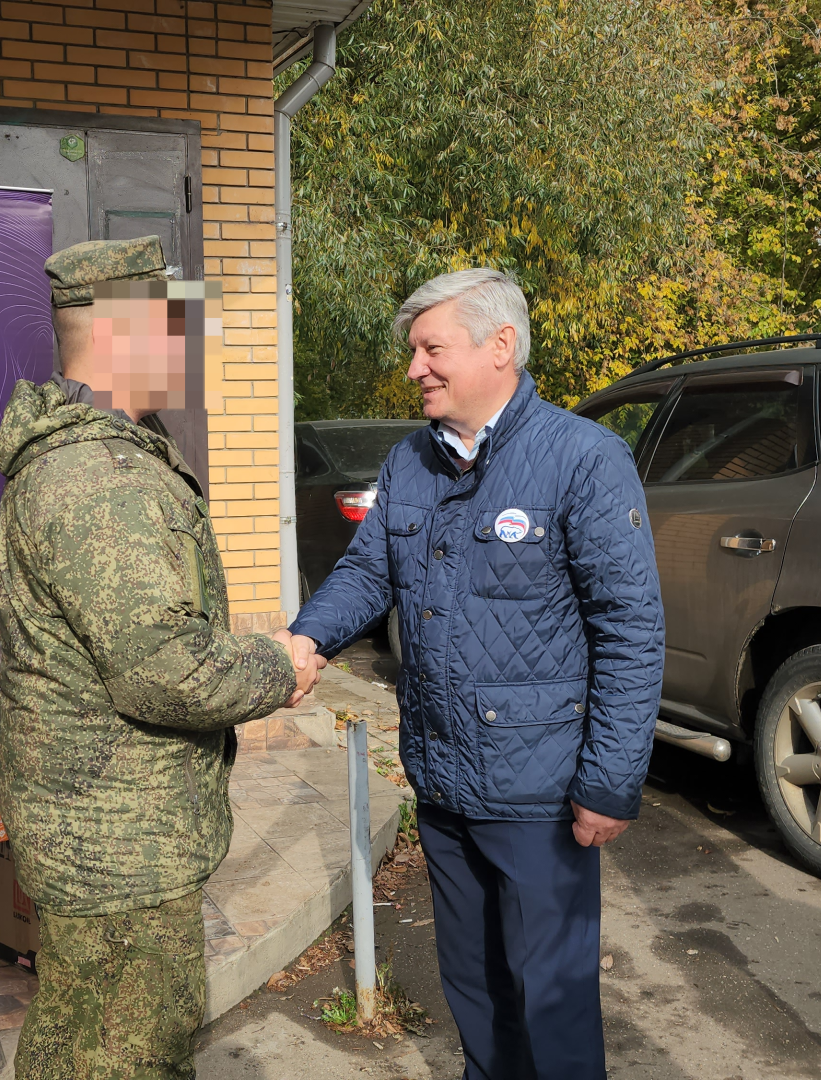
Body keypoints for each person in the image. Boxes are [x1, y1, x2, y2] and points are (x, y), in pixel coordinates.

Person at [281, 269, 664, 1080]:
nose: (415, 367)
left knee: (551, 1002)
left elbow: (630, 630)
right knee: (475, 990)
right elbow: (364, 574)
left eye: (431, 347)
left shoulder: (582, 459)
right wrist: (306, 642)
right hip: (446, 783)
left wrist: (610, 781)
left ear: (501, 346)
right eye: (412, 350)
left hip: (540, 795)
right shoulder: (410, 462)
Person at [0, 237, 312, 1080]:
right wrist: (279, 667)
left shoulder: (104, 453)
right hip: (119, 851)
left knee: (83, 1047)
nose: (189, 343)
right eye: (176, 323)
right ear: (119, 331)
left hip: (105, 834)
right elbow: (161, 667)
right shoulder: (101, 478)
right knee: (124, 1058)